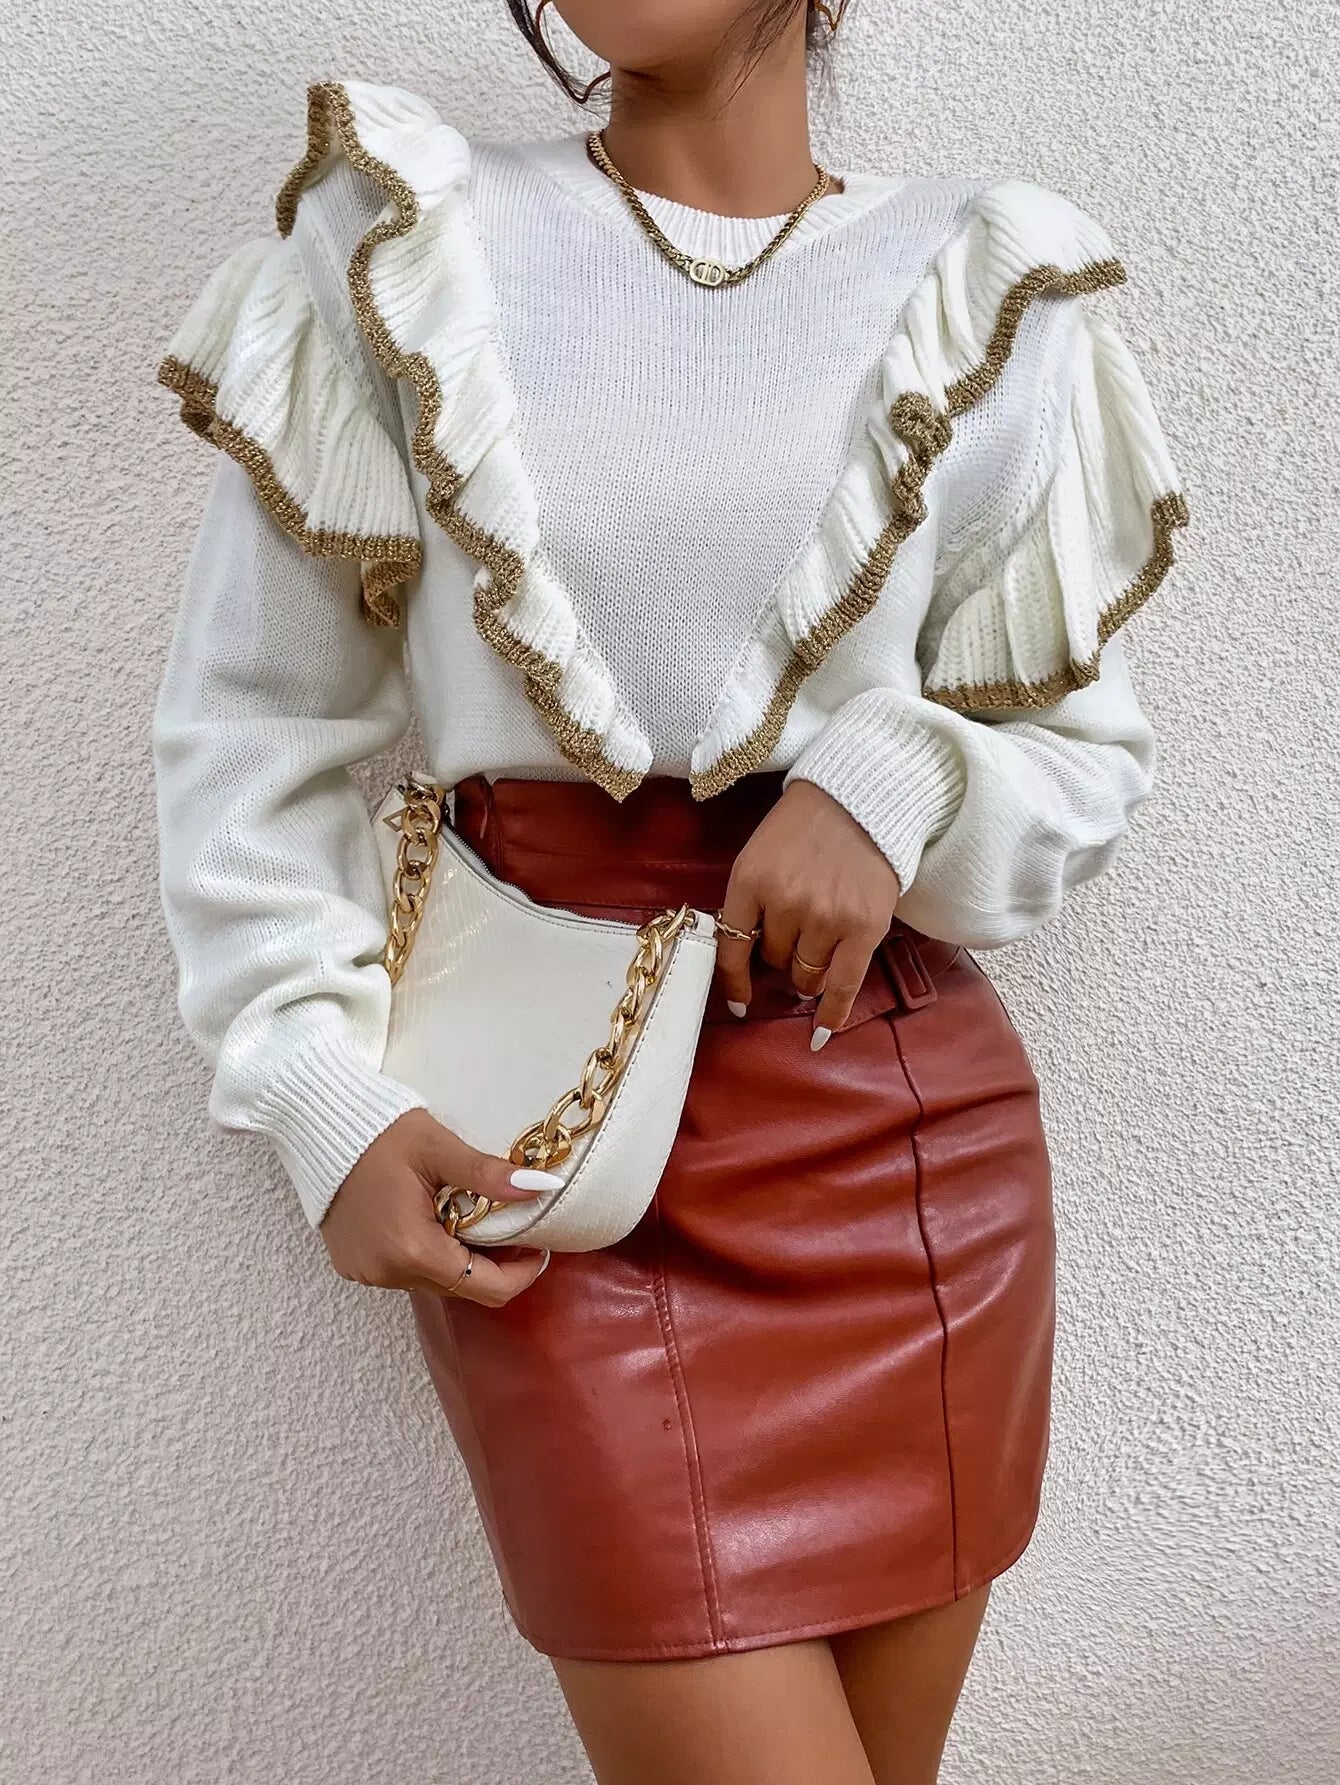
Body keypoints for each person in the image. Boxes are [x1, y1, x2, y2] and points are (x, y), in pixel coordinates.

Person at [150, 3, 1190, 1780]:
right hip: (560, 1156)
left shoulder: (984, 282)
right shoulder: (411, 241)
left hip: (904, 1160)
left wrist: (897, 779)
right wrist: (314, 1084)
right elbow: (259, 725)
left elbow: (1086, 753)